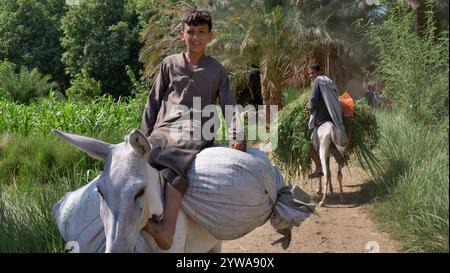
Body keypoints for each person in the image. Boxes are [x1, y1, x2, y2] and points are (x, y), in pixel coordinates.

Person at [140, 9, 246, 250]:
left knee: (173, 154)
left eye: (201, 32)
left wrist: (237, 137)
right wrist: (143, 137)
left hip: (197, 129)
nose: (195, 37)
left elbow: (229, 105)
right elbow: (153, 101)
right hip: (164, 127)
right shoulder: (169, 64)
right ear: (182, 35)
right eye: (191, 32)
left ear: (210, 36)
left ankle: (167, 228)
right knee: (137, 156)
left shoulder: (216, 69)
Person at [306, 64, 348, 179]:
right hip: (333, 118)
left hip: (320, 119)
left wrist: (308, 106)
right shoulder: (329, 82)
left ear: (319, 71)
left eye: (313, 73)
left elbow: (313, 100)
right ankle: (337, 150)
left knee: (308, 144)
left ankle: (319, 167)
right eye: (309, 73)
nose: (311, 75)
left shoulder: (317, 81)